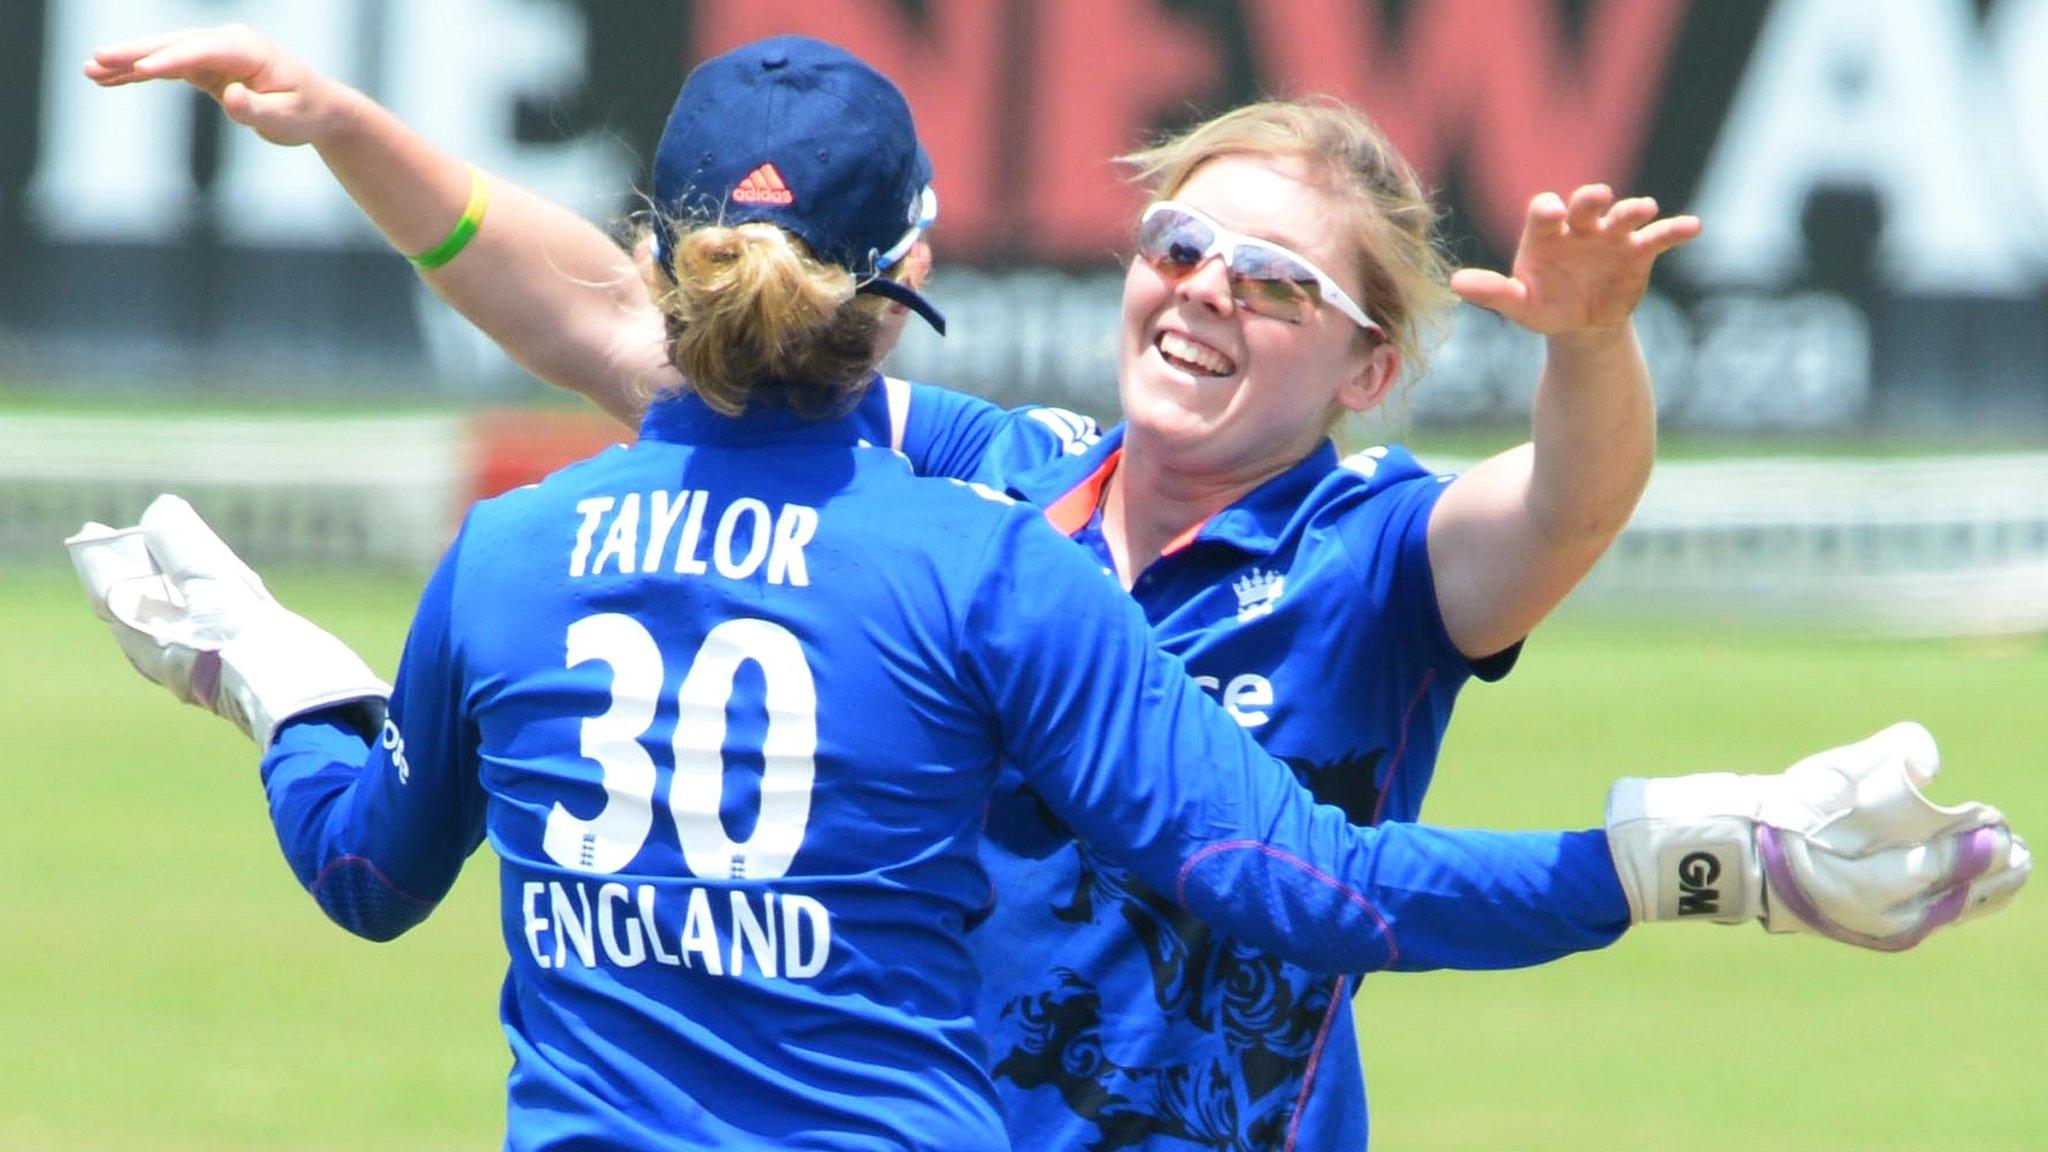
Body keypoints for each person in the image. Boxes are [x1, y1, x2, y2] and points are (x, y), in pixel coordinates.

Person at [79, 26, 2024, 1152]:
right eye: (1182, 245)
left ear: (1366, 371)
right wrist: (348, 132)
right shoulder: (982, 494)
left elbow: (1570, 513)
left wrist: (1591, 345)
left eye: (1278, 284)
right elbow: (624, 327)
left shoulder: (1369, 548)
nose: (1203, 292)